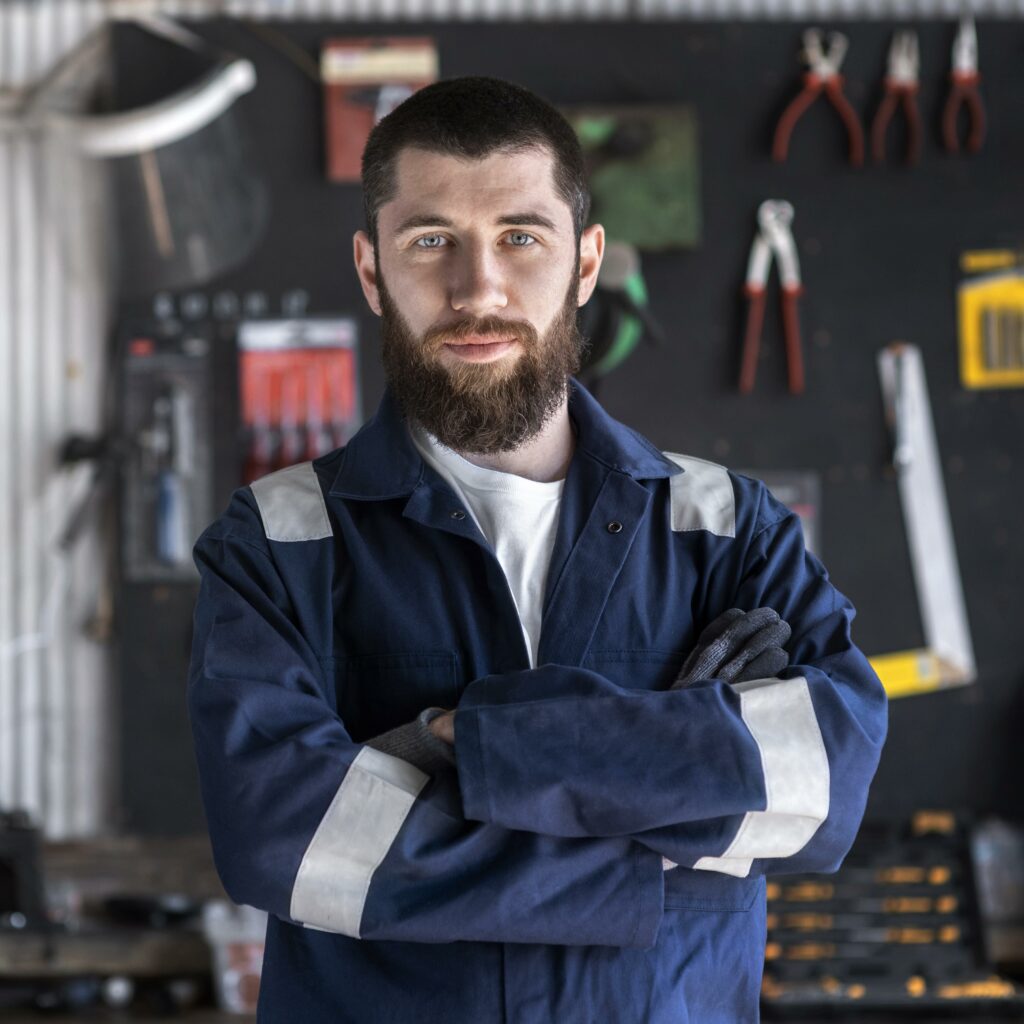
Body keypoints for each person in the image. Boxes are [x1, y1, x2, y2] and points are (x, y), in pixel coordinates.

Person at [187, 76, 888, 1023]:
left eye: (521, 236)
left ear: (587, 263)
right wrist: (663, 803)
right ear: (369, 269)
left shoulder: (727, 527)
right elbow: (291, 841)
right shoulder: (277, 544)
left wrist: (455, 743)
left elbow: (823, 786)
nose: (479, 286)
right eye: (431, 240)